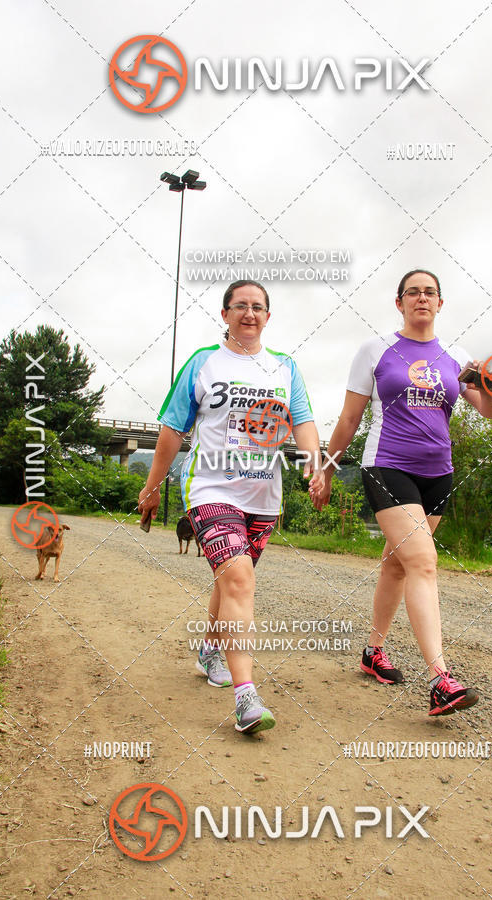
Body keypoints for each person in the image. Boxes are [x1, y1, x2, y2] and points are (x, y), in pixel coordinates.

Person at [139, 280, 324, 734]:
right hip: (210, 489)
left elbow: (302, 422)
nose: (249, 313)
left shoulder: (285, 368)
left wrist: (316, 465)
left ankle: (209, 649)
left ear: (267, 316)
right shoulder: (204, 363)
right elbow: (171, 430)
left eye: (258, 307)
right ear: (225, 314)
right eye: (240, 305)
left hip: (264, 496)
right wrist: (152, 486)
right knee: (239, 578)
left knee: (230, 582)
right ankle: (247, 699)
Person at [314, 269, 492, 716]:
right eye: (412, 292)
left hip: (438, 473)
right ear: (399, 303)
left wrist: (488, 382)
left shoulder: (457, 356)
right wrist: (327, 468)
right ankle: (441, 679)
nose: (421, 298)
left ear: (441, 303)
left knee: (397, 565)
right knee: (422, 561)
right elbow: (349, 419)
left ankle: (372, 651)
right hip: (387, 466)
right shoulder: (375, 350)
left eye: (429, 292)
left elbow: (490, 412)